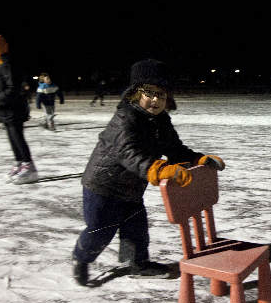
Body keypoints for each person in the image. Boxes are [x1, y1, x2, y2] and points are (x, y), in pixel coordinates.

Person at [72, 59, 226, 286]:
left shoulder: (161, 121)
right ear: (135, 94)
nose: (155, 100)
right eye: (150, 93)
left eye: (161, 95)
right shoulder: (125, 118)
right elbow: (128, 153)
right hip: (103, 186)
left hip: (132, 188)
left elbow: (174, 149)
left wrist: (197, 159)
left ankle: (136, 263)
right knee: (100, 230)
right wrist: (160, 169)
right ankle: (81, 259)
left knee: (137, 229)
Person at [0, 35, 38, 185]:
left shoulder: (8, 65)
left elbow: (12, 88)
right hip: (4, 110)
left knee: (17, 137)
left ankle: (30, 167)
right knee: (12, 138)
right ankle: (19, 163)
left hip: (14, 109)